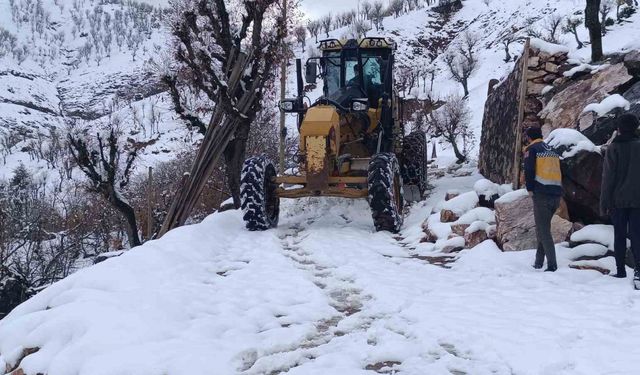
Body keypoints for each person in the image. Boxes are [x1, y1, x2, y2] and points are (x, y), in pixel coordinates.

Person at [600, 113, 640, 289]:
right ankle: (638, 270)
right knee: (638, 235)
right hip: (638, 199)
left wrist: (605, 203)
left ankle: (621, 270)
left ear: (619, 128)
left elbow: (608, 178)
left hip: (618, 200)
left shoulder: (613, 148)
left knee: (620, 235)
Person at [523, 127, 563, 272]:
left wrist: (530, 188)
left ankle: (552, 264)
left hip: (542, 194)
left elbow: (529, 170)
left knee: (544, 231)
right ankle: (538, 261)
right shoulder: (552, 149)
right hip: (556, 194)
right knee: (542, 227)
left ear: (528, 137)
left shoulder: (531, 149)